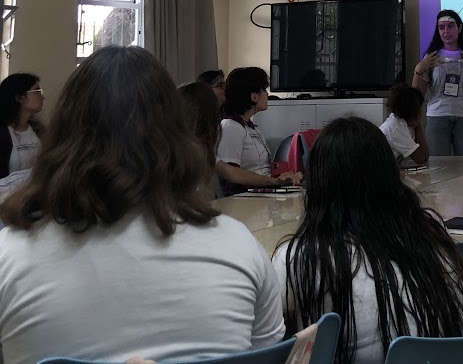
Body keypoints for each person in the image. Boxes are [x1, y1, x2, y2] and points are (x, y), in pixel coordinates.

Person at [0, 46, 284, 364]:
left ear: (64, 134)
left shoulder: (9, 256)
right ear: (176, 132)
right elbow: (267, 351)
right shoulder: (238, 246)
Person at [273, 117, 463, 364]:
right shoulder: (429, 228)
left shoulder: (301, 257)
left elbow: (267, 335)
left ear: (317, 184)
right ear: (391, 174)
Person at [412, 9, 463, 156]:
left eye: (450, 26)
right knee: (438, 167)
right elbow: (416, 97)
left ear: (459, 28)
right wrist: (418, 70)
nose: (446, 31)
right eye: (441, 27)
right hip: (437, 117)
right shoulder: (431, 58)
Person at [218, 66, 300, 194]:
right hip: (246, 199)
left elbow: (262, 172)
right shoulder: (230, 127)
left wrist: (282, 178)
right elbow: (230, 176)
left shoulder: (252, 127)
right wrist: (275, 182)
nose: (267, 94)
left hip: (264, 193)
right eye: (264, 90)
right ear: (254, 96)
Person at [0, 74, 44, 180]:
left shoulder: (39, 130)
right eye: (37, 92)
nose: (42, 97)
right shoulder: (3, 133)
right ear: (19, 97)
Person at [378, 83, 428, 166]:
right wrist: (418, 127)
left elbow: (425, 157)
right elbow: (420, 158)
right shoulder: (397, 127)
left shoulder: (401, 123)